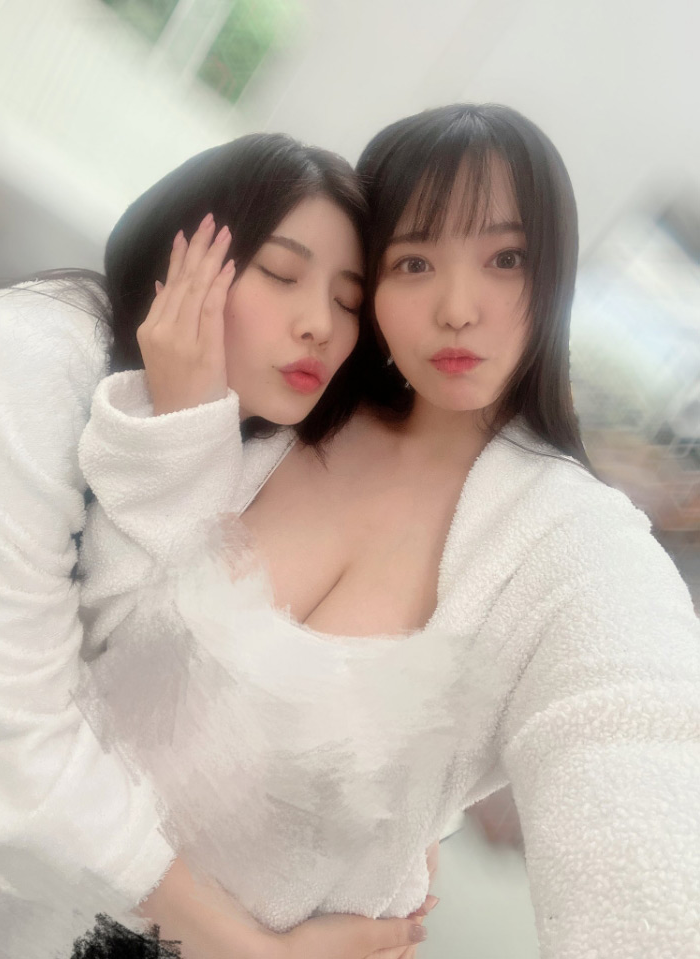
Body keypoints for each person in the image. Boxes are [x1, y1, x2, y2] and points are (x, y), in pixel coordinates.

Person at [78, 102, 700, 959]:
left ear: (554, 271)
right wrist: (177, 425)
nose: (457, 308)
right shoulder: (275, 412)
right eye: (413, 261)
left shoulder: (573, 544)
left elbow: (639, 748)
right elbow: (76, 658)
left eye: (505, 258)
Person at [0, 133, 428, 959]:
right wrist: (243, 946)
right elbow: (13, 738)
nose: (318, 324)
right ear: (180, 257)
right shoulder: (29, 355)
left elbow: (134, 688)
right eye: (282, 273)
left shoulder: (255, 440)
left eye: (347, 301)